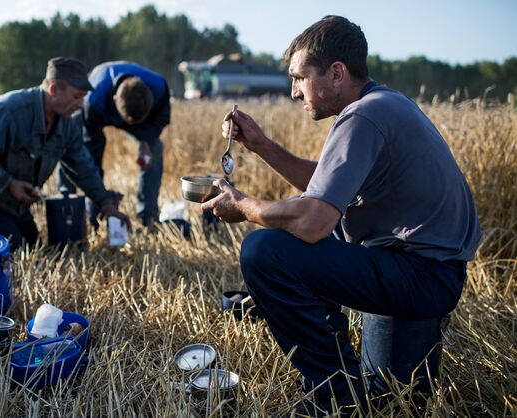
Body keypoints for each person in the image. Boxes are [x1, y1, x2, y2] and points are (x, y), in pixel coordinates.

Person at [202, 16, 481, 416]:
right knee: (394, 398)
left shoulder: (363, 116)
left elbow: (314, 220)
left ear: (336, 73)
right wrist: (261, 145)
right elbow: (325, 185)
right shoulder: (383, 104)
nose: (294, 92)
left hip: (421, 277)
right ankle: (329, 343)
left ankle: (335, 396)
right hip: (428, 270)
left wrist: (243, 206)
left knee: (265, 249)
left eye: (299, 78)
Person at [0, 57, 130, 250]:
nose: (81, 104)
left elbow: (83, 167)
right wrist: (8, 183)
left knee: (35, 251)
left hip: (15, 207)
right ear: (53, 89)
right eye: (76, 96)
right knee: (12, 255)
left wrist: (107, 205)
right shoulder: (8, 110)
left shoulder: (67, 124)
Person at [58, 61, 170, 228]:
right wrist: (103, 202)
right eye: (126, 122)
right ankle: (82, 211)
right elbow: (91, 153)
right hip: (98, 109)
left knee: (155, 150)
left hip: (141, 120)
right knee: (75, 149)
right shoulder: (93, 100)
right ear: (115, 100)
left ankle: (148, 217)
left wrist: (146, 140)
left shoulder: (160, 88)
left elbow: (161, 119)